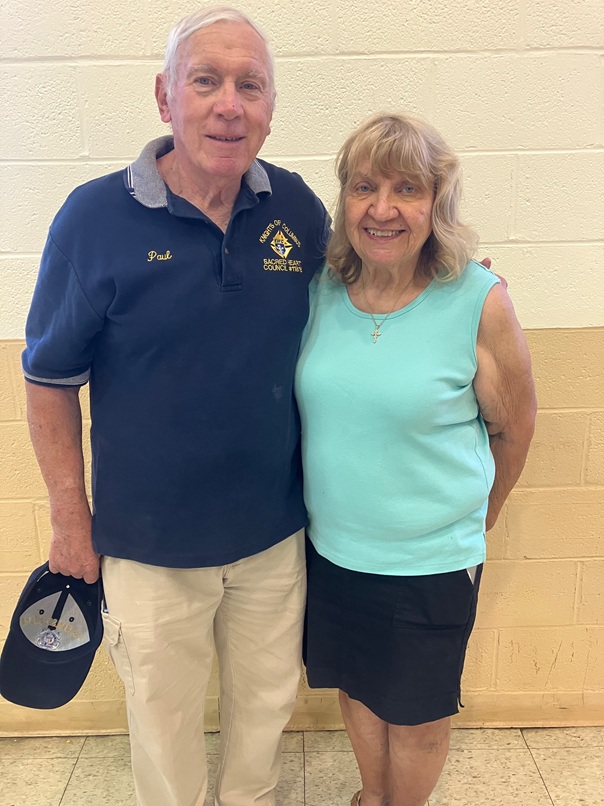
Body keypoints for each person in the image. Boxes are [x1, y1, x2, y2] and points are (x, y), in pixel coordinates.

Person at [22, 7, 328, 806]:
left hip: (273, 537)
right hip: (148, 550)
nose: (229, 105)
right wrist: (70, 520)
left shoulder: (297, 210)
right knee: (164, 732)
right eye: (206, 81)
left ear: (271, 108)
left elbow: (367, 296)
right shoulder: (93, 219)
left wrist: (456, 283)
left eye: (250, 86)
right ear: (165, 97)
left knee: (265, 715)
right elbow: (49, 379)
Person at [295, 113, 537, 806]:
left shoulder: (479, 300)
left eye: (407, 189)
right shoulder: (320, 291)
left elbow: (514, 428)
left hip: (431, 560)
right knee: (356, 689)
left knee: (419, 716)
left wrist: (478, 517)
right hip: (334, 550)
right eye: (364, 187)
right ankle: (373, 796)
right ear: (344, 200)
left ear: (437, 203)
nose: (383, 208)